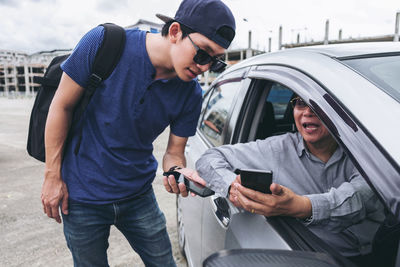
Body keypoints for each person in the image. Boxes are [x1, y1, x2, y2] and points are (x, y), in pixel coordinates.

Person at [40, 0, 235, 266]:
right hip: (82, 196)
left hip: (138, 196)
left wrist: (176, 171)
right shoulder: (103, 43)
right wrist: (52, 176)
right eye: (202, 54)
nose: (204, 67)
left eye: (214, 63)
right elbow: (61, 106)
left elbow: (174, 153)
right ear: (176, 31)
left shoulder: (190, 94)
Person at [195, 96, 384, 266]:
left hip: (378, 252)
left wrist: (301, 206)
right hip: (308, 259)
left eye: (319, 104)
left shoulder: (365, 152)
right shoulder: (277, 149)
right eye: (301, 103)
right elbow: (209, 158)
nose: (308, 112)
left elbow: (364, 194)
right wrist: (232, 188)